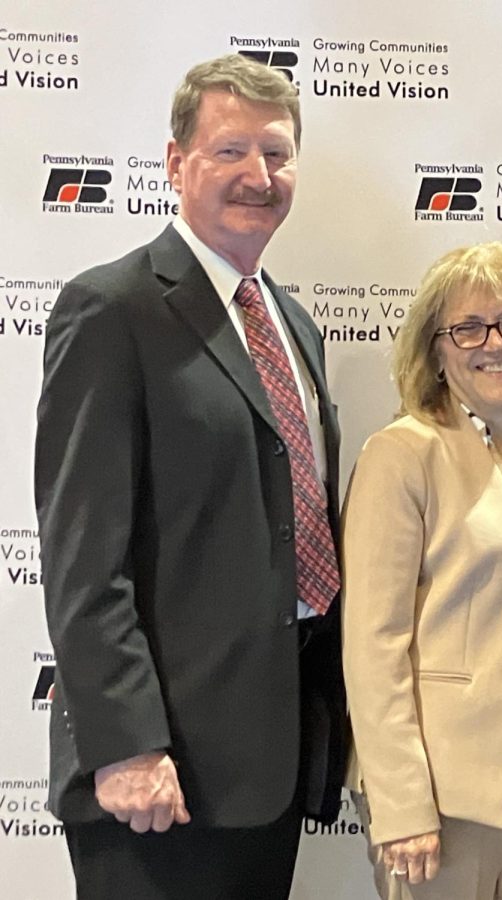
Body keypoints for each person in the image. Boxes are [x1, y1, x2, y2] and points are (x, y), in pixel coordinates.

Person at [34, 54, 346, 899]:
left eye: (277, 155)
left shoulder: (295, 326)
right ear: (176, 164)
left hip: (270, 761)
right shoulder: (112, 309)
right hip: (156, 778)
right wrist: (127, 744)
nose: (259, 175)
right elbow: (81, 556)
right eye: (230, 151)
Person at [342, 241, 502, 900]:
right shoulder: (401, 455)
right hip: (441, 789)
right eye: (467, 327)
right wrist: (402, 802)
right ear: (435, 350)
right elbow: (373, 644)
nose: (493, 342)